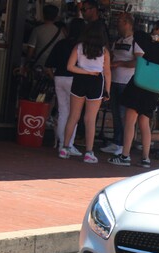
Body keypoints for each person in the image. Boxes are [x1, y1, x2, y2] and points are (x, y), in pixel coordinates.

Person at [108, 19, 159, 168]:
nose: (152, 31)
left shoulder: (151, 44)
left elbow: (137, 35)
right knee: (144, 123)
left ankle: (125, 155)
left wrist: (155, 38)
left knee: (130, 121)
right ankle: (145, 158)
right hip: (153, 89)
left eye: (155, 29)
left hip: (139, 85)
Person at [59, 21, 111, 163]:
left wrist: (84, 71)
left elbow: (70, 66)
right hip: (96, 80)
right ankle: (88, 152)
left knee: (73, 116)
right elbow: (107, 72)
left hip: (80, 80)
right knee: (90, 119)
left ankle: (64, 148)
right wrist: (107, 90)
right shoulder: (104, 51)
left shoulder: (79, 47)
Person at [101, 12, 144, 156]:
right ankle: (116, 141)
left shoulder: (135, 41)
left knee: (123, 114)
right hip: (113, 80)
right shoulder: (118, 41)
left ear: (127, 23)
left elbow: (139, 62)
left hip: (127, 82)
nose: (117, 24)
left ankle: (123, 144)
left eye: (119, 21)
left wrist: (121, 63)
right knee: (115, 113)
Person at [45, 18, 85, 156]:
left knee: (63, 112)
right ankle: (68, 144)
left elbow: (48, 64)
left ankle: (62, 143)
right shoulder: (81, 46)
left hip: (59, 78)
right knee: (74, 114)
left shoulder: (61, 43)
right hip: (75, 79)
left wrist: (53, 77)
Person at [26, 4, 64, 68]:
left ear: (43, 15)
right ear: (56, 17)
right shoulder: (60, 33)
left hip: (38, 67)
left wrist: (26, 65)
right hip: (52, 68)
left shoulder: (37, 30)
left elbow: (30, 51)